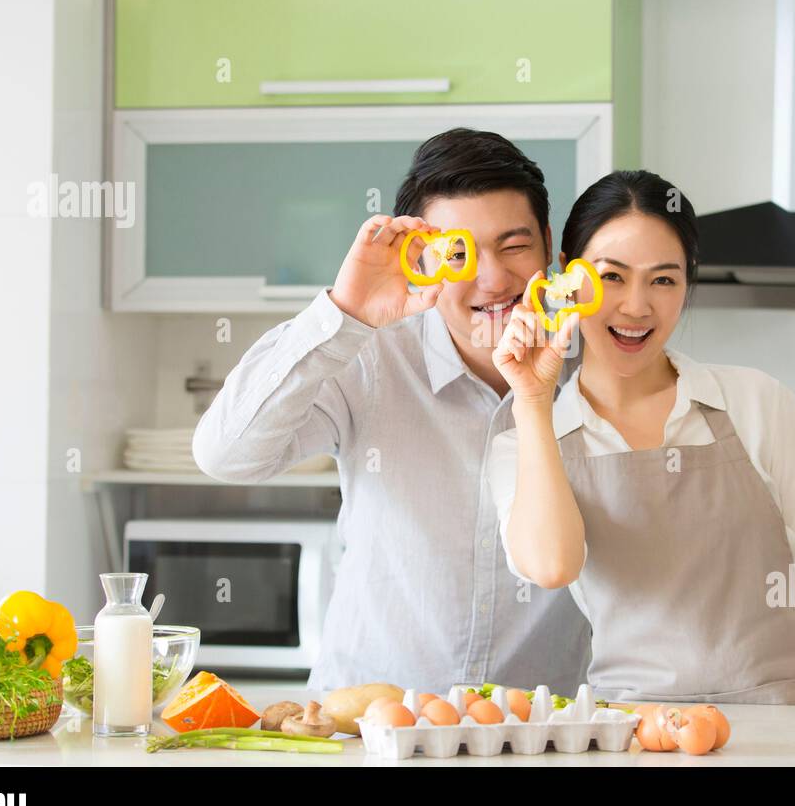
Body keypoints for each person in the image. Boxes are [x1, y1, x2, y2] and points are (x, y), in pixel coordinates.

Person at [192, 128, 590, 693]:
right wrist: (344, 311)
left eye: (514, 245)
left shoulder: (593, 372)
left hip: (530, 737)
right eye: (460, 252)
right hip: (365, 731)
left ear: (548, 244)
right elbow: (224, 455)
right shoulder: (368, 353)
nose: (494, 278)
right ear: (421, 258)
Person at [488, 170, 795, 706]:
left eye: (664, 280)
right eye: (613, 277)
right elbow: (554, 565)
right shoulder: (525, 442)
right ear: (567, 281)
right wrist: (533, 400)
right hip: (635, 734)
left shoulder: (757, 402)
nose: (636, 306)